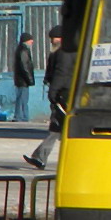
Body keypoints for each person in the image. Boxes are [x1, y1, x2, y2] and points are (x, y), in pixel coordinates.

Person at [24, 25, 75, 169]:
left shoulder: (63, 52)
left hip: (63, 95)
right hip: (67, 93)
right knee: (58, 128)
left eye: (55, 38)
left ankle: (69, 160)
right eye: (52, 38)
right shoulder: (64, 51)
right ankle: (40, 157)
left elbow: (61, 74)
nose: (53, 41)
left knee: (62, 128)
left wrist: (53, 92)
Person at [12, 32, 35, 122]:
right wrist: (29, 79)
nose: (32, 41)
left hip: (20, 79)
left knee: (20, 98)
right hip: (23, 80)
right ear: (26, 41)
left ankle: (19, 116)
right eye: (30, 39)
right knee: (23, 99)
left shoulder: (20, 49)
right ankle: (22, 117)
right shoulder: (24, 50)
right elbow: (25, 66)